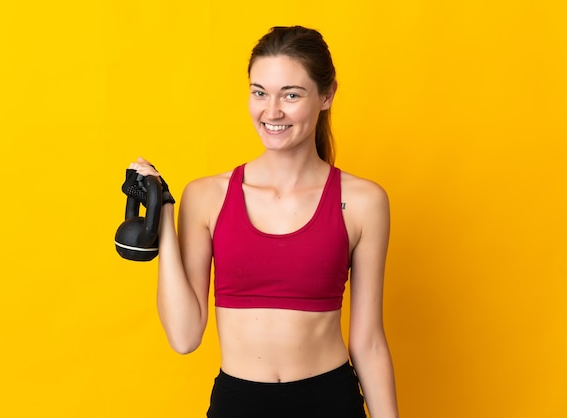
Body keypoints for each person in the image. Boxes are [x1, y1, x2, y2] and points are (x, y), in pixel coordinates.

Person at [128, 26, 399, 418]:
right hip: (238, 405)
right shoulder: (207, 197)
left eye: (291, 94)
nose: (272, 112)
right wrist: (163, 211)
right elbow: (185, 337)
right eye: (260, 92)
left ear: (327, 96)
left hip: (330, 402)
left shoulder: (362, 201)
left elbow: (369, 341)